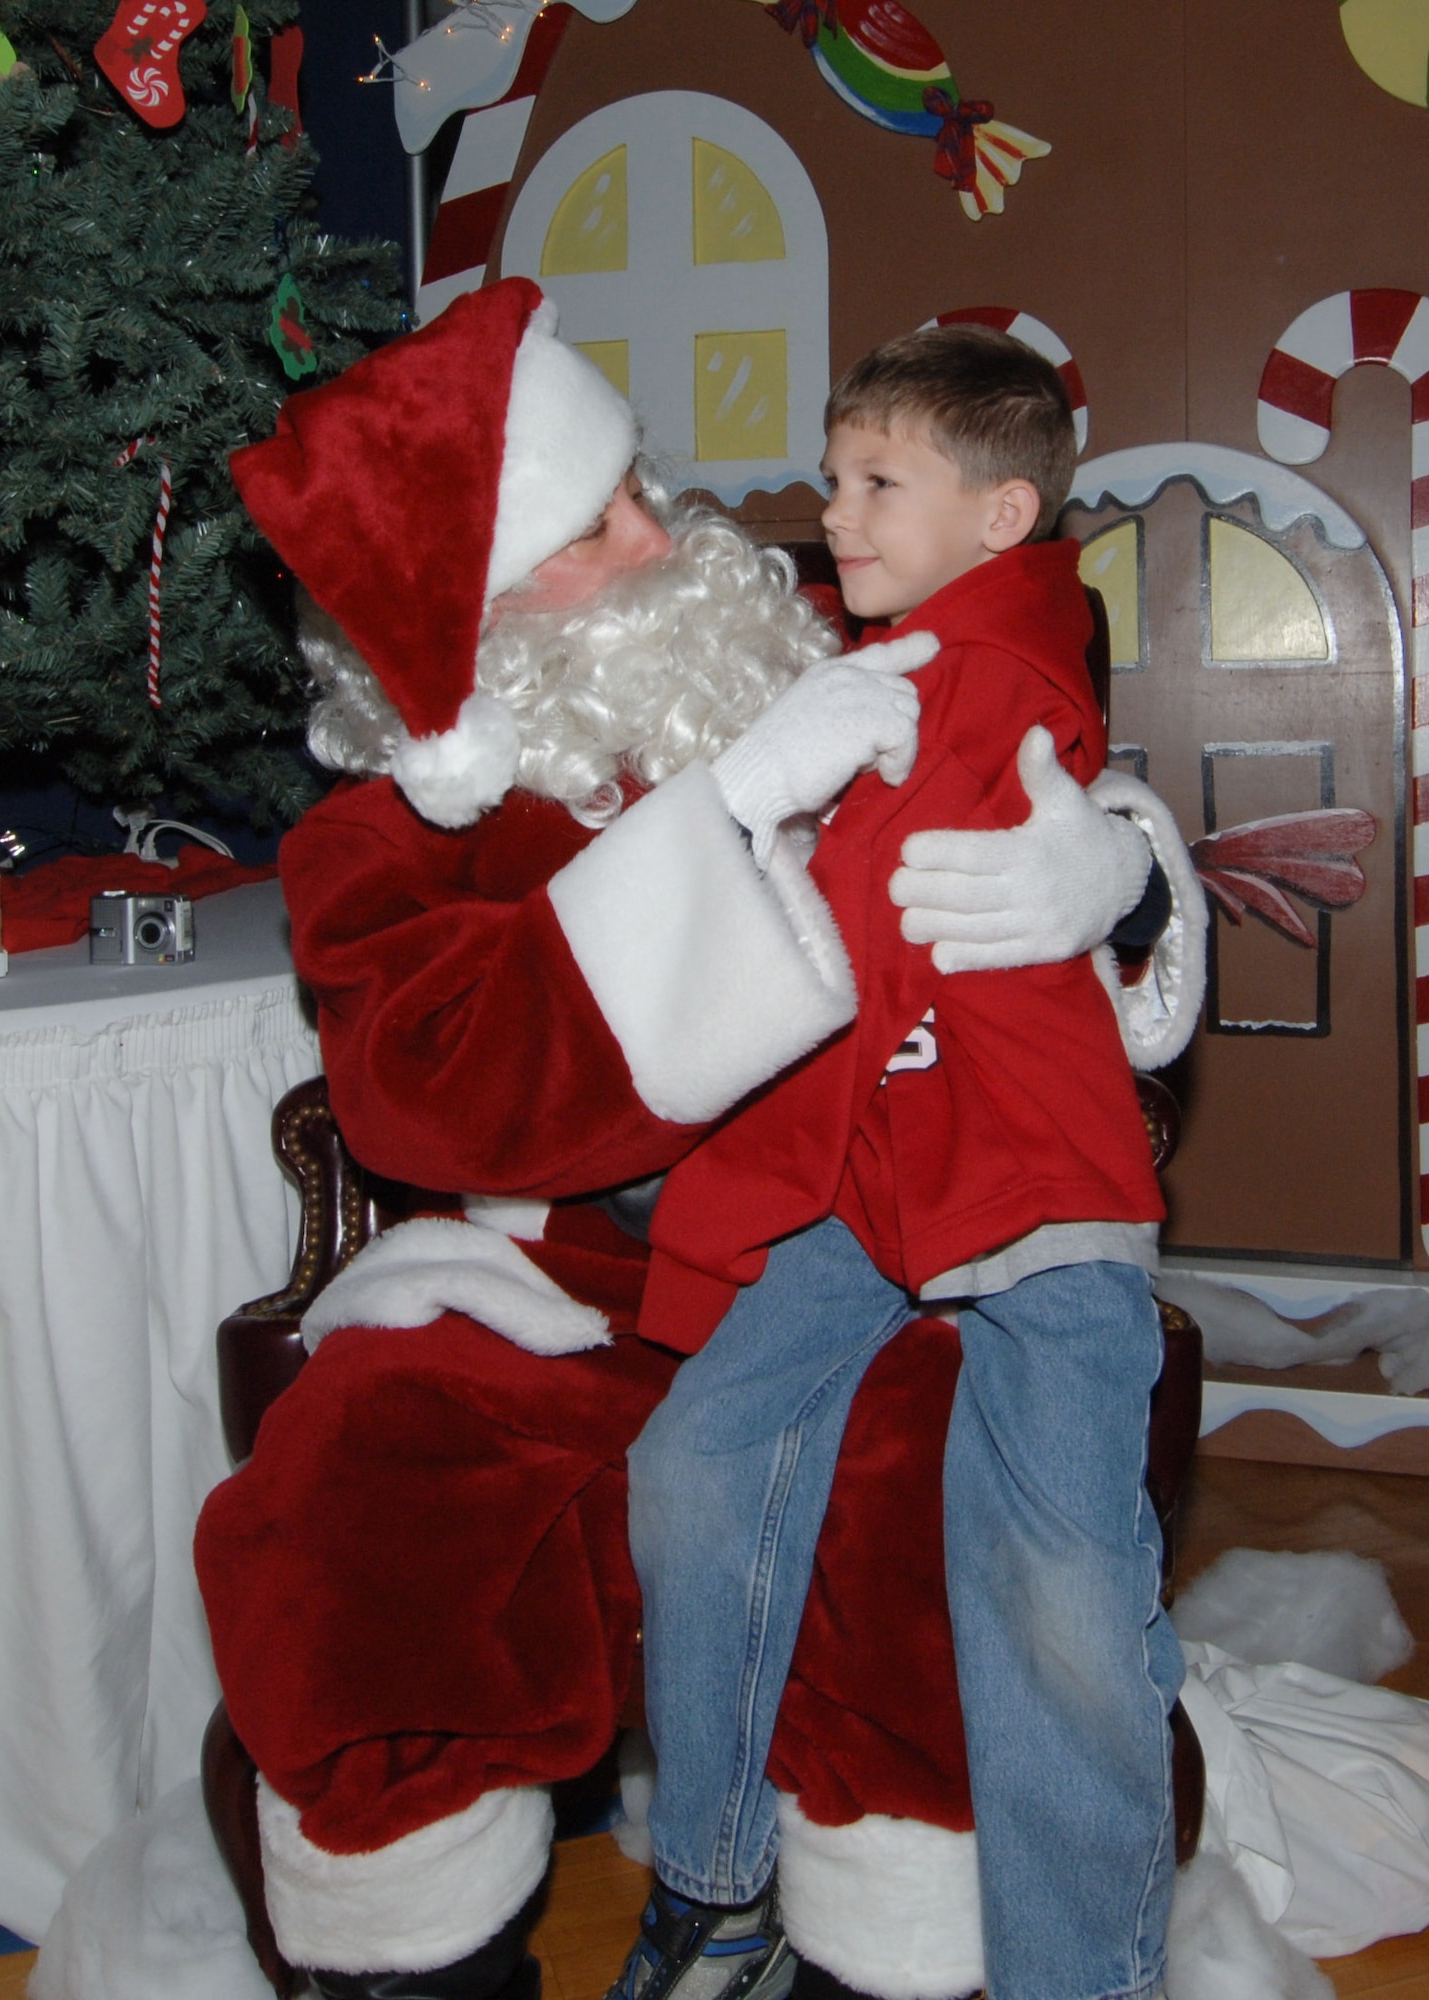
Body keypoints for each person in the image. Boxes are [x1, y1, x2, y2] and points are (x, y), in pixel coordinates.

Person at [193, 281, 1203, 2000]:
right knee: (365, 1477)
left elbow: (1032, 693)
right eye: (599, 526)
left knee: (915, 1463)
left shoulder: (802, 634)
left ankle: (889, 1948)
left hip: (850, 1234)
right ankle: (411, 1954)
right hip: (561, 1281)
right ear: (474, 613)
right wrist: (719, 818)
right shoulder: (386, 838)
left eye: (637, 484)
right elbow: (426, 1088)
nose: (670, 536)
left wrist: (1112, 875)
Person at [623, 325, 1186, 2000]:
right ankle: (718, 1883)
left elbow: (848, 908)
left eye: (881, 482)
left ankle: (1084, 1980)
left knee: (1062, 1595)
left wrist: (1121, 877)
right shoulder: (879, 666)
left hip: (1025, 1180)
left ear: (1004, 515)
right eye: (834, 471)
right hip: (862, 1167)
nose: (836, 505)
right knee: (698, 1463)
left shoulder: (995, 668)